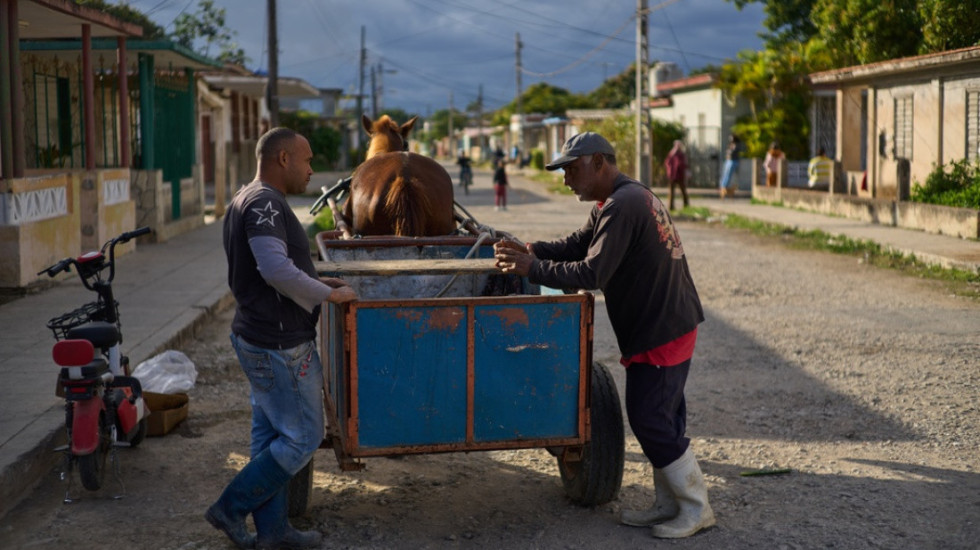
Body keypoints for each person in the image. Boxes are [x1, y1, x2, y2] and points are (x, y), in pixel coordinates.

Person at [493, 132, 714, 539]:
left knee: (651, 421)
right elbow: (579, 244)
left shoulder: (622, 205)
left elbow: (590, 273)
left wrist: (529, 268)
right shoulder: (618, 199)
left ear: (598, 162)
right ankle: (669, 504)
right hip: (666, 322)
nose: (565, 179)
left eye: (571, 169)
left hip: (661, 328)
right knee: (662, 418)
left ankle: (696, 508)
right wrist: (531, 248)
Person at [207, 127, 358, 550]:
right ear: (284, 159)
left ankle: (273, 532)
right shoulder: (265, 204)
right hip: (278, 344)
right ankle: (230, 507)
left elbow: (272, 270)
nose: (312, 170)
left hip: (259, 335)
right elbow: (274, 270)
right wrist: (329, 294)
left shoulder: (246, 197)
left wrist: (316, 278)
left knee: (270, 438)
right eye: (307, 160)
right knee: (304, 437)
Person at [664, 140, 689, 211]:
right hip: (672, 175)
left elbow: (684, 164)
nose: (678, 147)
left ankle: (686, 205)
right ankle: (671, 206)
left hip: (680, 175)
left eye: (679, 145)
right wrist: (669, 171)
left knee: (683, 191)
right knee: (671, 192)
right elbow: (667, 163)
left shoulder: (682, 155)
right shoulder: (671, 154)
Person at [719, 133, 741, 198]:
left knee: (728, 175)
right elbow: (728, 153)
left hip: (732, 161)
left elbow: (732, 152)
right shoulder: (731, 145)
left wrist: (730, 150)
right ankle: (722, 188)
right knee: (724, 174)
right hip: (728, 160)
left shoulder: (736, 145)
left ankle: (724, 187)